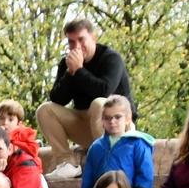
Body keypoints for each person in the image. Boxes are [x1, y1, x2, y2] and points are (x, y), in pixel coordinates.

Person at [37, 17, 137, 171]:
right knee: (44, 110)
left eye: (81, 39)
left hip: (118, 125)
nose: (76, 46)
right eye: (71, 42)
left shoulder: (111, 58)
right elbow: (57, 99)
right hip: (87, 125)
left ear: (93, 37)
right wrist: (70, 73)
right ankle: (66, 164)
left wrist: (79, 70)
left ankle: (107, 162)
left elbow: (104, 91)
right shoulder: (67, 64)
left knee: (99, 103)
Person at [76, 96, 154, 188]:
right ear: (102, 120)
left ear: (128, 118)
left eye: (117, 117)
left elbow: (145, 181)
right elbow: (87, 186)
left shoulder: (138, 143)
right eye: (107, 118)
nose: (112, 121)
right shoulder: (96, 148)